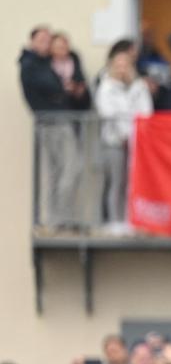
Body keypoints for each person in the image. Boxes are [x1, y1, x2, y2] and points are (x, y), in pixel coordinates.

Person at [18, 27, 80, 226]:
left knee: (60, 170)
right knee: (69, 167)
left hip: (59, 120)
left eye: (49, 39)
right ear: (32, 41)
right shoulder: (31, 64)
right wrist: (63, 89)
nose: (47, 43)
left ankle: (56, 218)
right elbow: (48, 86)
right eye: (42, 39)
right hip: (52, 122)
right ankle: (61, 218)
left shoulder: (47, 63)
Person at [94, 49, 152, 227]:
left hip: (137, 142)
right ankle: (114, 221)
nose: (122, 69)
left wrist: (134, 132)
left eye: (125, 65)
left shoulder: (139, 86)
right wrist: (124, 134)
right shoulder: (106, 88)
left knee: (133, 183)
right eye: (118, 65)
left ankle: (131, 220)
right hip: (114, 141)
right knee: (116, 182)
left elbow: (146, 111)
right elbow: (108, 113)